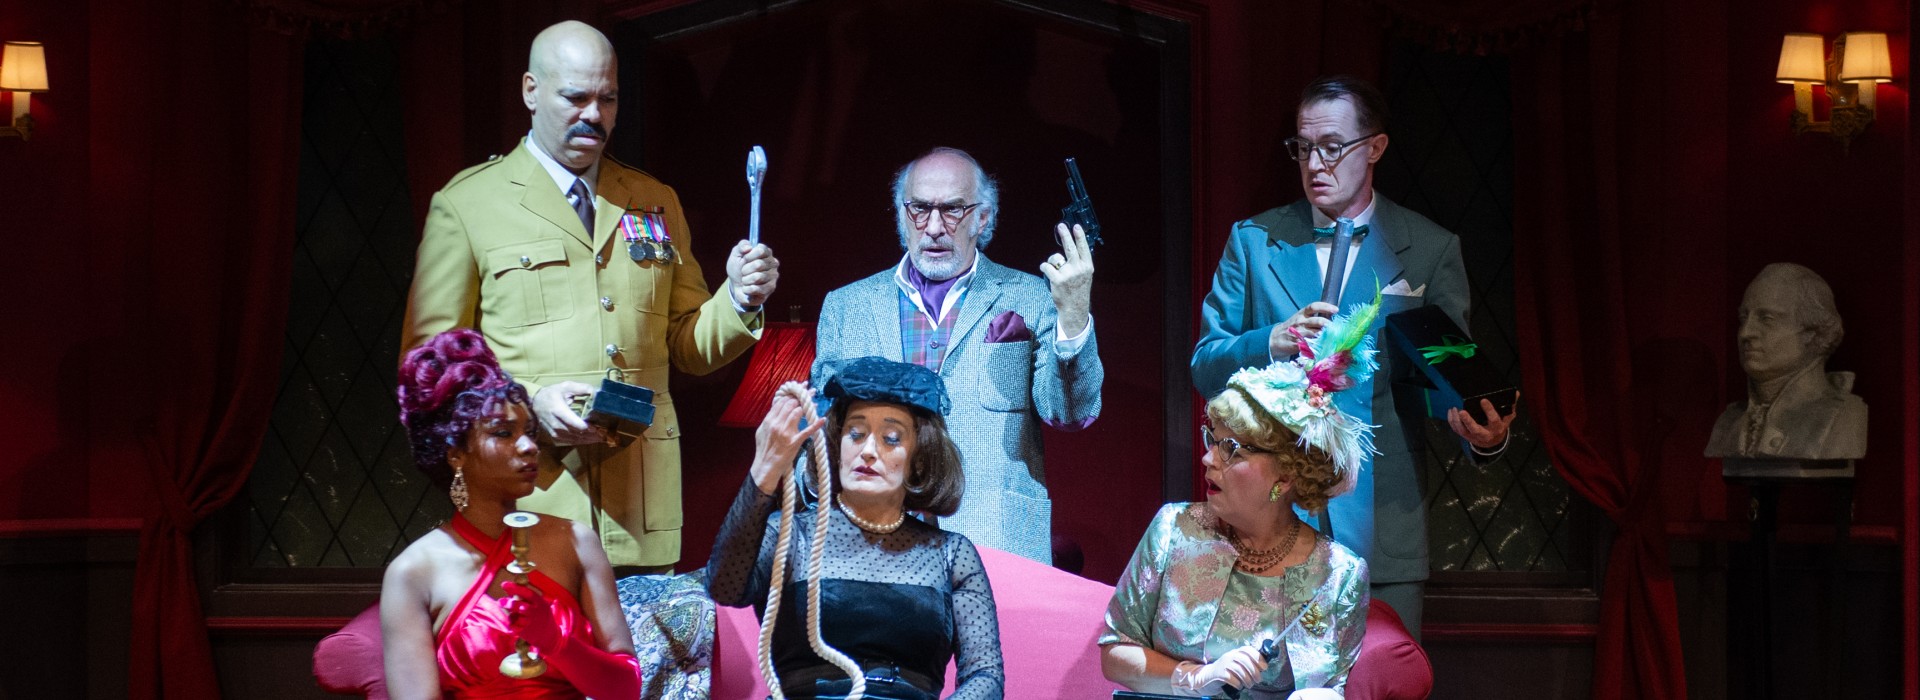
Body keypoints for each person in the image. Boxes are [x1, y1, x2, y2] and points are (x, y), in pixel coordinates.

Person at [403, 20, 780, 574]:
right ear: (531, 91)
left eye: (608, 98)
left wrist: (739, 301)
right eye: (575, 97)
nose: (594, 115)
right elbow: (429, 369)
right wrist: (528, 401)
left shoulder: (653, 199)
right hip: (527, 505)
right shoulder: (469, 204)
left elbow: (689, 346)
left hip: (641, 512)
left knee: (639, 664)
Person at [1190, 76, 1516, 637]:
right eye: (1303, 147)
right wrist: (1271, 340)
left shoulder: (1431, 248)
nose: (1315, 163)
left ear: (1375, 148)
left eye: (1332, 147)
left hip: (1380, 533)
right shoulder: (1253, 240)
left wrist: (1484, 435)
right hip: (1268, 519)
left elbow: (1446, 381)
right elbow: (1205, 364)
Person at [811, 147, 1102, 565]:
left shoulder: (1030, 297)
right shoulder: (846, 307)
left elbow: (1071, 413)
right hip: (872, 546)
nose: (933, 227)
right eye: (920, 209)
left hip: (995, 545)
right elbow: (825, 435)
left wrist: (1073, 317)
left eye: (952, 210)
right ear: (901, 215)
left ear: (982, 218)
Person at [1104, 301, 1379, 699]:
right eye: (1211, 440)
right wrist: (1194, 677)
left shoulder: (1339, 575)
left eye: (1231, 448)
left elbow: (1333, 683)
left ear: (1286, 475)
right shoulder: (1173, 530)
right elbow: (1115, 653)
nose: (1207, 459)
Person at [708, 356, 1004, 699]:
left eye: (891, 438)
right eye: (856, 433)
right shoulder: (792, 534)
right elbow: (724, 588)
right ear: (836, 445)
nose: (867, 451)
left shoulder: (950, 554)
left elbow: (985, 676)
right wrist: (764, 468)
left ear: (920, 457)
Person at [380, 328, 641, 699]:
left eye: (530, 431)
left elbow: (626, 690)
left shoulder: (576, 541)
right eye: (504, 433)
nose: (529, 447)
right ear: (455, 453)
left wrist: (557, 642)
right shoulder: (412, 573)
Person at [1705, 262, 1867, 460]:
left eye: (1766, 319)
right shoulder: (1728, 422)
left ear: (1812, 332)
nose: (1746, 333)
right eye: (1743, 318)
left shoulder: (1842, 417)